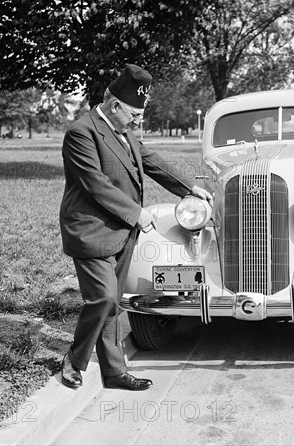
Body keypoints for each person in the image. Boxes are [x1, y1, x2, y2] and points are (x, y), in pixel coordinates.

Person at [59, 64, 212, 391]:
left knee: (114, 303)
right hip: (91, 232)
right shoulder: (81, 133)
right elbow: (95, 184)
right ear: (115, 106)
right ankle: (74, 361)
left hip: (122, 232)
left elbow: (152, 161)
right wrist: (137, 213)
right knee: (101, 298)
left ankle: (114, 373)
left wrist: (188, 187)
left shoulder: (124, 131)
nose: (138, 120)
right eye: (134, 113)